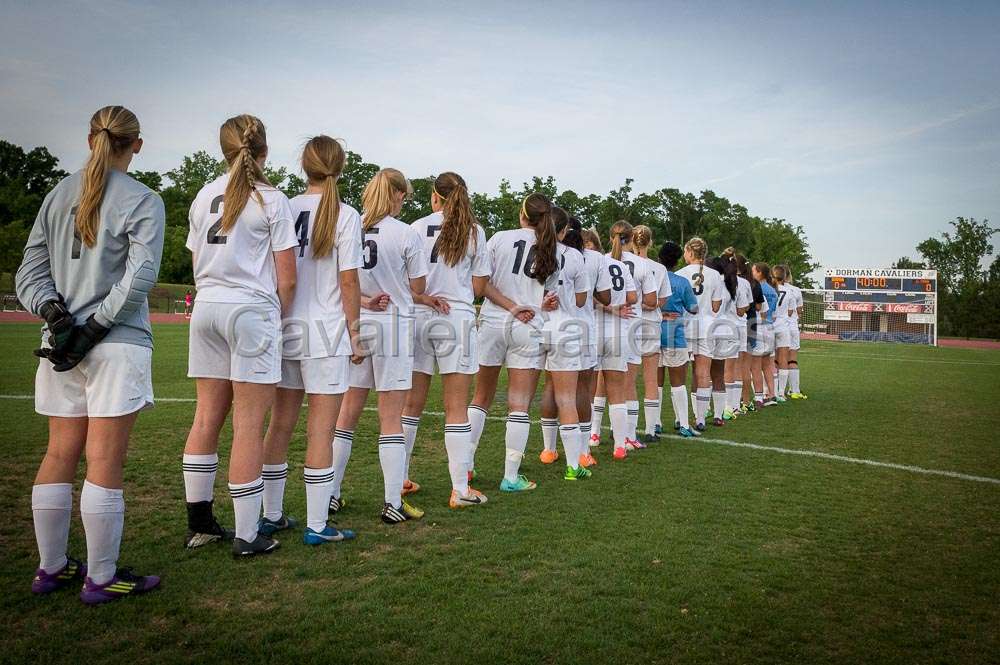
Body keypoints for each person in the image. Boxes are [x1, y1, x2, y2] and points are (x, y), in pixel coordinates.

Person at [16, 105, 165, 603]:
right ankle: (100, 577)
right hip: (114, 344)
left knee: (59, 452)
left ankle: (51, 568)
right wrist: (94, 325)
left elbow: (28, 273)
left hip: (60, 347)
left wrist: (55, 315)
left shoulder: (56, 193)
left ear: (89, 139)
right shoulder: (143, 198)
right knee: (104, 459)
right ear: (136, 144)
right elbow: (140, 277)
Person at [182, 114, 298, 558]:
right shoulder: (272, 199)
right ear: (263, 151)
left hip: (207, 306)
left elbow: (197, 264)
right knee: (249, 424)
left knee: (206, 418)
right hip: (251, 310)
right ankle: (248, 534)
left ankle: (201, 524)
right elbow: (286, 279)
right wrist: (278, 317)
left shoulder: (203, 194)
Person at [257, 135, 362, 545]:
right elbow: (349, 279)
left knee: (279, 426)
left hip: (284, 325)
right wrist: (356, 333)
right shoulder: (345, 213)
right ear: (341, 166)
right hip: (326, 331)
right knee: (321, 430)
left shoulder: (282, 205)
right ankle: (317, 525)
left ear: (304, 165)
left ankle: (272, 515)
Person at [332, 168, 429, 524]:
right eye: (404, 195)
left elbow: (344, 280)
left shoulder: (351, 227)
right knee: (390, 418)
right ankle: (391, 502)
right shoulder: (405, 233)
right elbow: (418, 285)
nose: (405, 201)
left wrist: (367, 299)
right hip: (394, 326)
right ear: (397, 194)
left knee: (347, 414)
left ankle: (331, 493)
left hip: (359, 321)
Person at [403, 172, 490, 508]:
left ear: (435, 196)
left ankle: (400, 480)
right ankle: (459, 490)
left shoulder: (415, 227)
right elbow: (480, 287)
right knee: (456, 408)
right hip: (456, 318)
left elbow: (406, 279)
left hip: (419, 316)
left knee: (411, 405)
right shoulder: (475, 230)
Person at [467, 193, 560, 491]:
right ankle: (510, 476)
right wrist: (536, 302)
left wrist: (510, 305)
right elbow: (545, 296)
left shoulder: (498, 238)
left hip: (494, 322)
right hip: (527, 326)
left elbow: (480, 286)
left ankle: (465, 466)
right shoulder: (550, 247)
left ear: (522, 214)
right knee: (519, 405)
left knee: (480, 397)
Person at [535, 207, 592, 481]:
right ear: (564, 230)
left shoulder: (532, 250)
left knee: (522, 398)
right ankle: (573, 466)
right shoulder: (574, 256)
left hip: (533, 325)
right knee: (567, 398)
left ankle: (540, 454)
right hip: (564, 327)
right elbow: (581, 301)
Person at [589, 226, 638, 460]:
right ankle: (619, 445)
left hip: (592, 331)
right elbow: (632, 297)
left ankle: (591, 437)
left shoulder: (589, 262)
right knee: (618, 390)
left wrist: (606, 307)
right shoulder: (618, 265)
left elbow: (583, 297)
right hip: (618, 333)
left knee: (588, 388)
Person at [674, 238, 727, 430]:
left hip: (684, 327)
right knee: (703, 372)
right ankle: (701, 419)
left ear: (689, 251)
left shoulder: (680, 274)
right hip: (706, 327)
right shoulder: (714, 276)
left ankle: (681, 418)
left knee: (680, 373)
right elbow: (715, 306)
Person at [630, 225, 671, 443]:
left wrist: (638, 305)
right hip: (650, 324)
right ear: (650, 242)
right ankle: (650, 428)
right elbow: (662, 300)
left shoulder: (620, 262)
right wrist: (648, 305)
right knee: (650, 379)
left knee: (627, 379)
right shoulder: (659, 268)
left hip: (627, 323)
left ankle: (627, 428)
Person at [655, 241, 699, 437]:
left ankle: (654, 423)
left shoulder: (653, 277)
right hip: (675, 335)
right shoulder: (681, 282)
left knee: (654, 382)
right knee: (678, 383)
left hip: (652, 333)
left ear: (659, 258)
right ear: (678, 260)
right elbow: (693, 307)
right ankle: (683, 424)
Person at [576, 226, 612, 461]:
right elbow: (602, 296)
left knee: (559, 388)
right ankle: (582, 449)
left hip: (556, 327)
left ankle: (550, 448)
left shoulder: (557, 253)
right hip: (588, 327)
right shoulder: (598, 260)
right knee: (584, 389)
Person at [710, 253, 751, 420]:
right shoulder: (740, 282)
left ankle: (709, 408)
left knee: (709, 370)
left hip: (712, 328)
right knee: (732, 369)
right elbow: (742, 310)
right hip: (734, 328)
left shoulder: (713, 279)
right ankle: (731, 407)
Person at [750, 262, 778, 407]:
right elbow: (771, 314)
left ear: (759, 272)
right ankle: (773, 394)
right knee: (767, 364)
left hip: (759, 328)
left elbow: (761, 312)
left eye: (753, 270)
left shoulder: (756, 288)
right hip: (770, 328)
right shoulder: (772, 290)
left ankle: (759, 396)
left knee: (755, 366)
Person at [780, 265, 808, 399]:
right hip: (792, 327)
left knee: (776, 360)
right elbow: (799, 310)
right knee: (792, 359)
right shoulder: (796, 290)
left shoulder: (774, 288)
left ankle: (777, 391)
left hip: (778, 326)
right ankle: (795, 390)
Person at [771, 264, 794, 403]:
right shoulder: (789, 291)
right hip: (783, 327)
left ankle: (770, 391)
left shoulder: (769, 289)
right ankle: (781, 393)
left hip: (770, 326)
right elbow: (791, 312)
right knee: (784, 359)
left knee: (769, 360)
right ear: (785, 276)